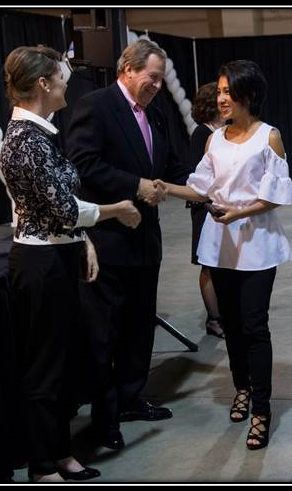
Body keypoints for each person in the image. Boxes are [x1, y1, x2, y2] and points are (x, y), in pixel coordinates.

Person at [0, 45, 141, 483]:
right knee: (44, 368)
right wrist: (118, 209)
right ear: (44, 84)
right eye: (62, 76)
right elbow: (64, 209)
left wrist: (83, 241)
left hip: (57, 253)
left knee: (63, 363)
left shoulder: (41, 134)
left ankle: (60, 451)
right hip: (40, 264)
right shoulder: (23, 142)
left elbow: (59, 211)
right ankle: (43, 466)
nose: (67, 83)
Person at [155, 60, 292, 450]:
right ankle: (241, 388)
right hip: (221, 245)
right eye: (218, 91)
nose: (220, 98)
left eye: (227, 91)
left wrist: (238, 212)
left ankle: (262, 411)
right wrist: (165, 186)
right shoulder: (214, 139)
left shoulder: (269, 137)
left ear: (248, 95)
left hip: (257, 246)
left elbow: (276, 196)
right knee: (231, 325)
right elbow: (201, 187)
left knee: (254, 326)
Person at [66, 39, 190, 450]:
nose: (156, 85)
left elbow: (170, 169)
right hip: (107, 241)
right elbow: (83, 165)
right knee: (104, 335)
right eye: (151, 77)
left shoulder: (155, 117)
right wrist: (136, 186)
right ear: (128, 69)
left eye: (159, 79)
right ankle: (104, 421)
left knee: (139, 327)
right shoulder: (96, 106)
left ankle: (131, 397)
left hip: (145, 241)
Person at [187, 82, 225, 339]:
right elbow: (195, 176)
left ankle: (225, 313)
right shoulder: (202, 133)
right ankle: (214, 319)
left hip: (222, 208)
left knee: (223, 262)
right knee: (209, 264)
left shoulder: (226, 131)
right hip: (205, 208)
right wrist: (209, 204)